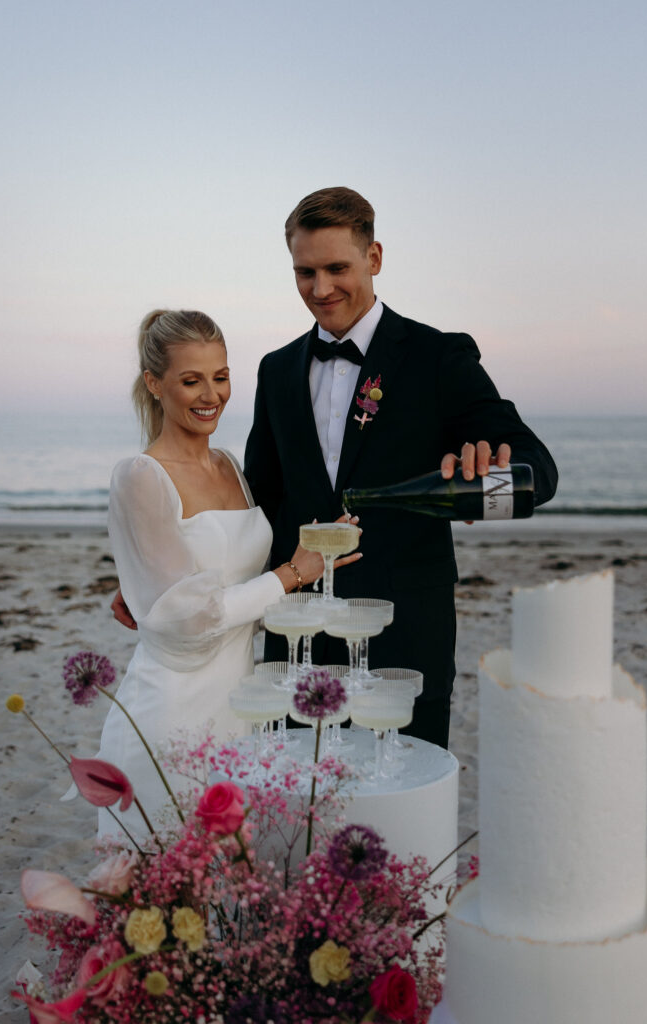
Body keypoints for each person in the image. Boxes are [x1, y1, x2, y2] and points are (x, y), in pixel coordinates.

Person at [243, 187, 558, 749]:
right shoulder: (275, 371)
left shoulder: (438, 357)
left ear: (375, 258)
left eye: (337, 267)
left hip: (403, 632)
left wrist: (487, 467)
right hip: (299, 636)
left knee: (405, 806)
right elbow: (257, 503)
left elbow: (540, 471)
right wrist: (173, 571)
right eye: (304, 272)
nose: (320, 289)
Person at [99, 309, 359, 837]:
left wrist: (317, 553)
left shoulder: (230, 466)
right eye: (191, 380)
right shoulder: (140, 475)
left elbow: (225, 573)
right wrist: (292, 574)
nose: (210, 395)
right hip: (173, 710)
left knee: (229, 891)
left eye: (221, 377)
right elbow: (186, 623)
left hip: (242, 709)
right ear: (154, 383)